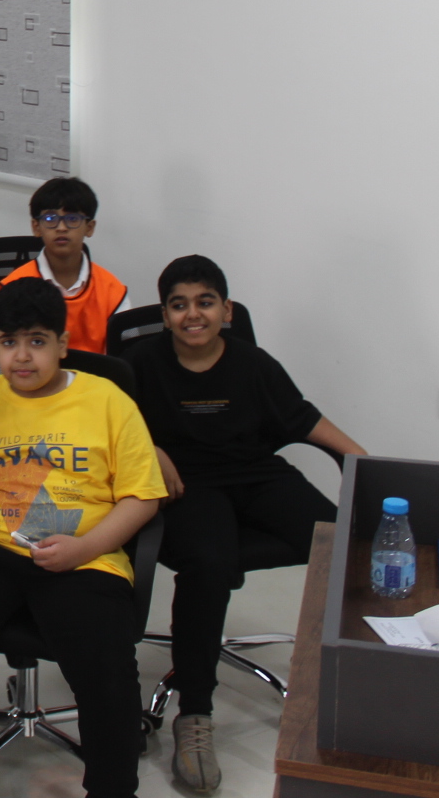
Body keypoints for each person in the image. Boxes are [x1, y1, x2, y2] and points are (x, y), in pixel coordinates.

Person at [0, 278, 164, 798]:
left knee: (107, 673)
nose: (21, 356)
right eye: (8, 342)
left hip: (82, 555)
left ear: (62, 344)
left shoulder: (106, 400)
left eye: (37, 341)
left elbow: (143, 498)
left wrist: (86, 548)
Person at [126, 256, 366, 793]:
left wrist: (364, 464)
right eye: (179, 305)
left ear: (227, 310)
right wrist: (151, 449)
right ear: (164, 315)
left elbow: (304, 418)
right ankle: (195, 714)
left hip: (256, 474)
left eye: (205, 302)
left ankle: (337, 682)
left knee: (338, 540)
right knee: (209, 563)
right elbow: (107, 421)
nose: (193, 314)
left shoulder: (253, 363)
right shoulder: (140, 361)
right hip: (189, 487)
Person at [0, 176, 129, 354]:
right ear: (36, 227)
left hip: (95, 372)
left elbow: (121, 357)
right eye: (50, 218)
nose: (61, 228)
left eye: (72, 218)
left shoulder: (113, 292)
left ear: (89, 227)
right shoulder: (12, 288)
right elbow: (9, 353)